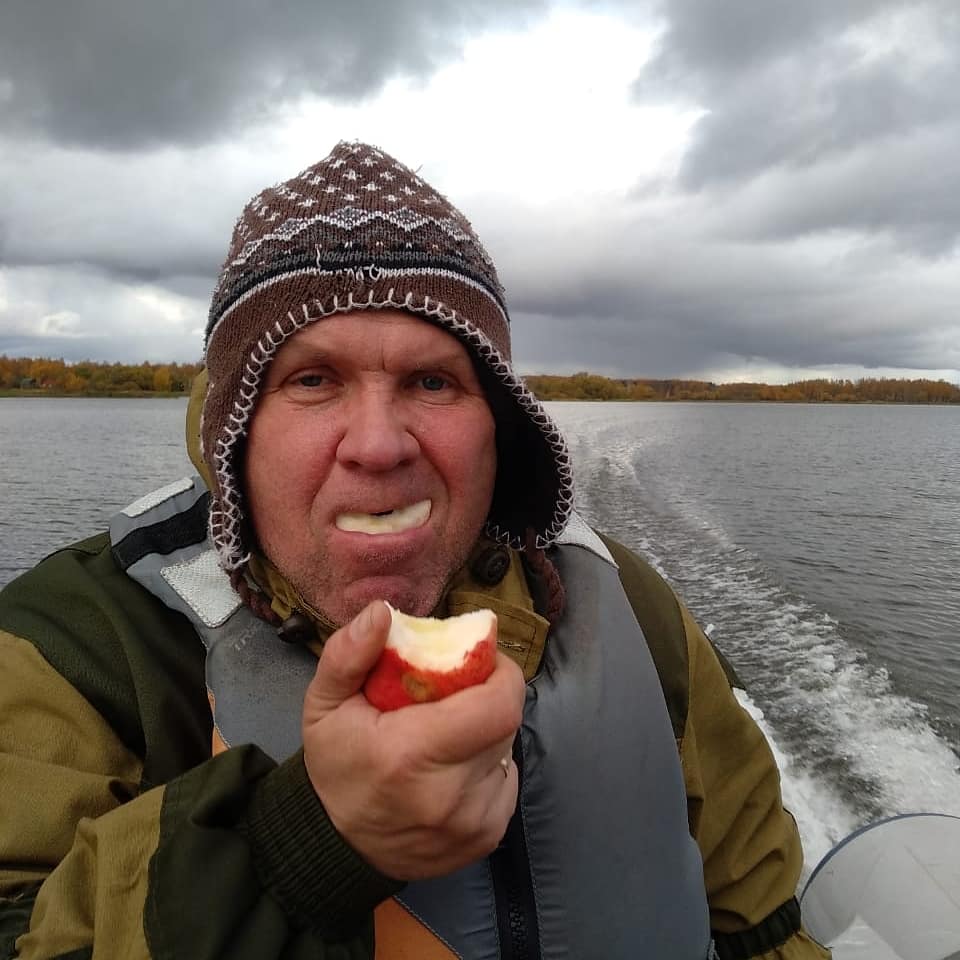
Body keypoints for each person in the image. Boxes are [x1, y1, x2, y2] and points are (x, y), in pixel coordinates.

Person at [0, 141, 830, 959]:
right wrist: (296, 848)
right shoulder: (78, 648)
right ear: (234, 431)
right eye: (312, 380)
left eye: (433, 382)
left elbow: (763, 929)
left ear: (498, 426)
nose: (378, 445)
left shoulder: (635, 614)